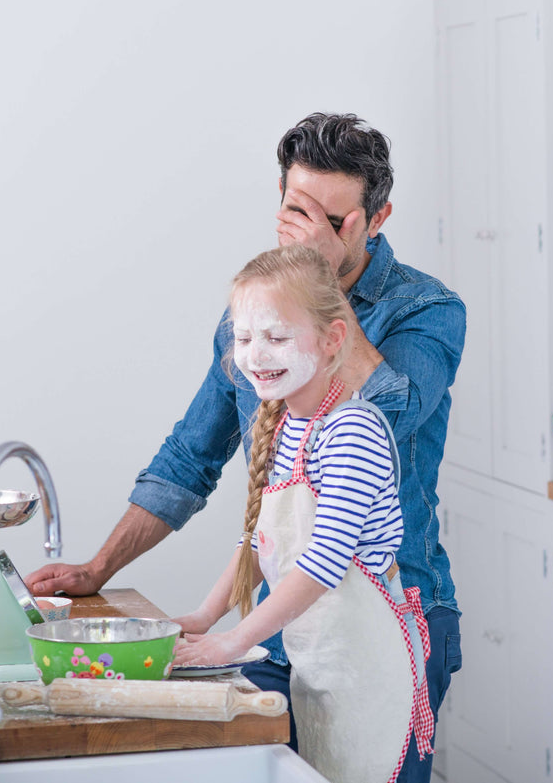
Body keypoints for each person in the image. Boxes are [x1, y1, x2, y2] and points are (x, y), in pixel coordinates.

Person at [26, 112, 465, 782]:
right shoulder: (260, 325)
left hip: (387, 616)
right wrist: (101, 569)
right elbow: (191, 460)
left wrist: (320, 284)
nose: (258, 351)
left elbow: (392, 414)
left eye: (333, 221)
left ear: (377, 219)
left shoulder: (426, 309)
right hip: (285, 626)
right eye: (297, 210)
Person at [173, 245, 432, 783]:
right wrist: (203, 617)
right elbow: (258, 542)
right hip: (320, 670)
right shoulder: (286, 425)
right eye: (245, 338)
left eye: (277, 336)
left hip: (367, 674)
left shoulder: (352, 431)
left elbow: (324, 563)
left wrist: (234, 642)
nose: (256, 355)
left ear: (333, 338)